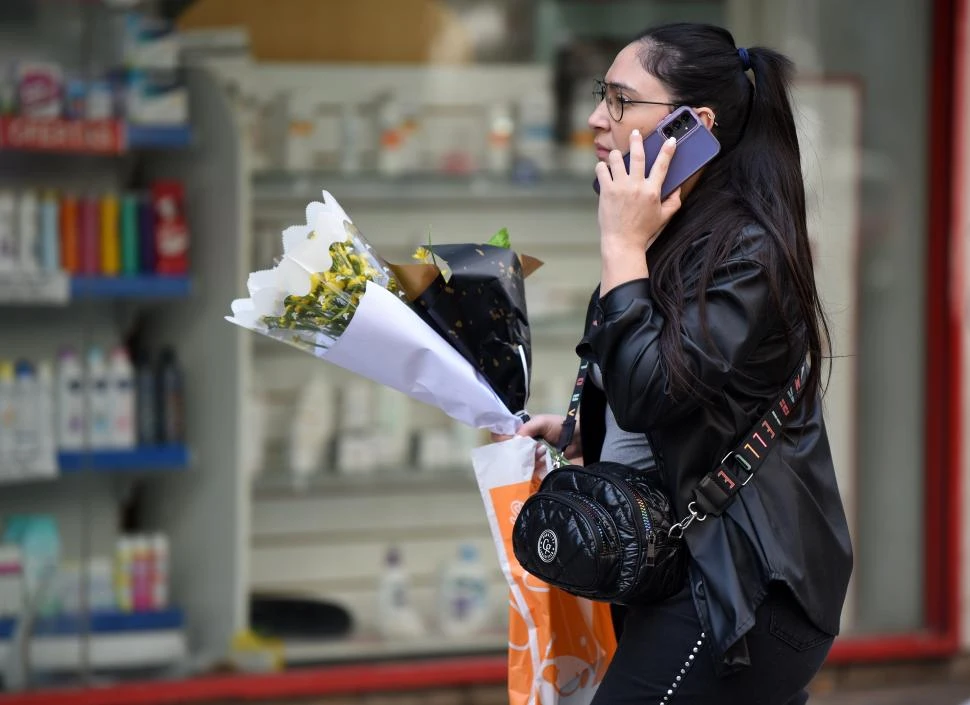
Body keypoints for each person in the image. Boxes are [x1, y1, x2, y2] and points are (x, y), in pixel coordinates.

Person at [513, 22, 853, 705]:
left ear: (690, 124)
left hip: (743, 593)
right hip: (687, 571)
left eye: (617, 99)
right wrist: (587, 433)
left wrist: (619, 245)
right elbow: (673, 399)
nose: (595, 119)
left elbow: (652, 389)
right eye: (598, 96)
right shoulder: (677, 232)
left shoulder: (746, 249)